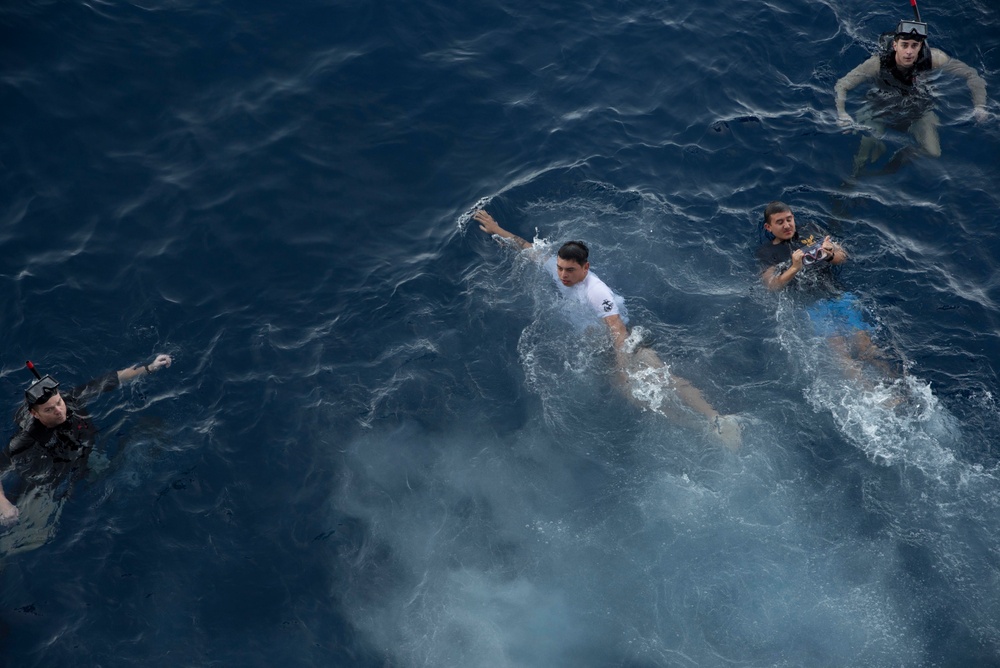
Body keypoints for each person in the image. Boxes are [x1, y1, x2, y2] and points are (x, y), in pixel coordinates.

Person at [473, 209, 741, 448]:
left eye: (569, 270)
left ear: (585, 268)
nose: (563, 275)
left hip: (627, 342)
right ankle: (701, 429)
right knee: (636, 398)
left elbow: (618, 330)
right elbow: (526, 247)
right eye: (560, 268)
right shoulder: (557, 270)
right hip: (600, 346)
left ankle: (716, 418)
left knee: (661, 378)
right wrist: (497, 230)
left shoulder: (597, 292)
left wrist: (623, 369)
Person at [0, 354, 172, 554]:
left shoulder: (71, 399)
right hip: (52, 468)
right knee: (38, 536)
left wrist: (150, 367)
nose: (59, 410)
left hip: (86, 452)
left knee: (141, 450)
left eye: (58, 402)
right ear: (35, 414)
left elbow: (111, 379)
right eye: (49, 409)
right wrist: (3, 504)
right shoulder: (27, 436)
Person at [834, 19, 988, 174]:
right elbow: (842, 84)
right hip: (879, 108)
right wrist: (842, 113)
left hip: (918, 110)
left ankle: (904, 154)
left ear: (920, 46)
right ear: (895, 45)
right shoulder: (877, 63)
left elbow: (971, 74)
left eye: (914, 45)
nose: (909, 51)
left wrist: (980, 106)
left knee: (933, 152)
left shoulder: (934, 58)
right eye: (904, 45)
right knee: (865, 154)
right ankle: (853, 179)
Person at [757, 201, 889, 375]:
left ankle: (902, 388)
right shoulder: (766, 252)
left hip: (838, 295)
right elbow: (772, 286)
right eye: (780, 222)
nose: (787, 225)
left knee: (867, 347)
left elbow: (842, 256)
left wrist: (830, 254)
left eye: (789, 219)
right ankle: (873, 396)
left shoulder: (811, 229)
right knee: (842, 356)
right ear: (768, 227)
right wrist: (794, 268)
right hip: (813, 306)